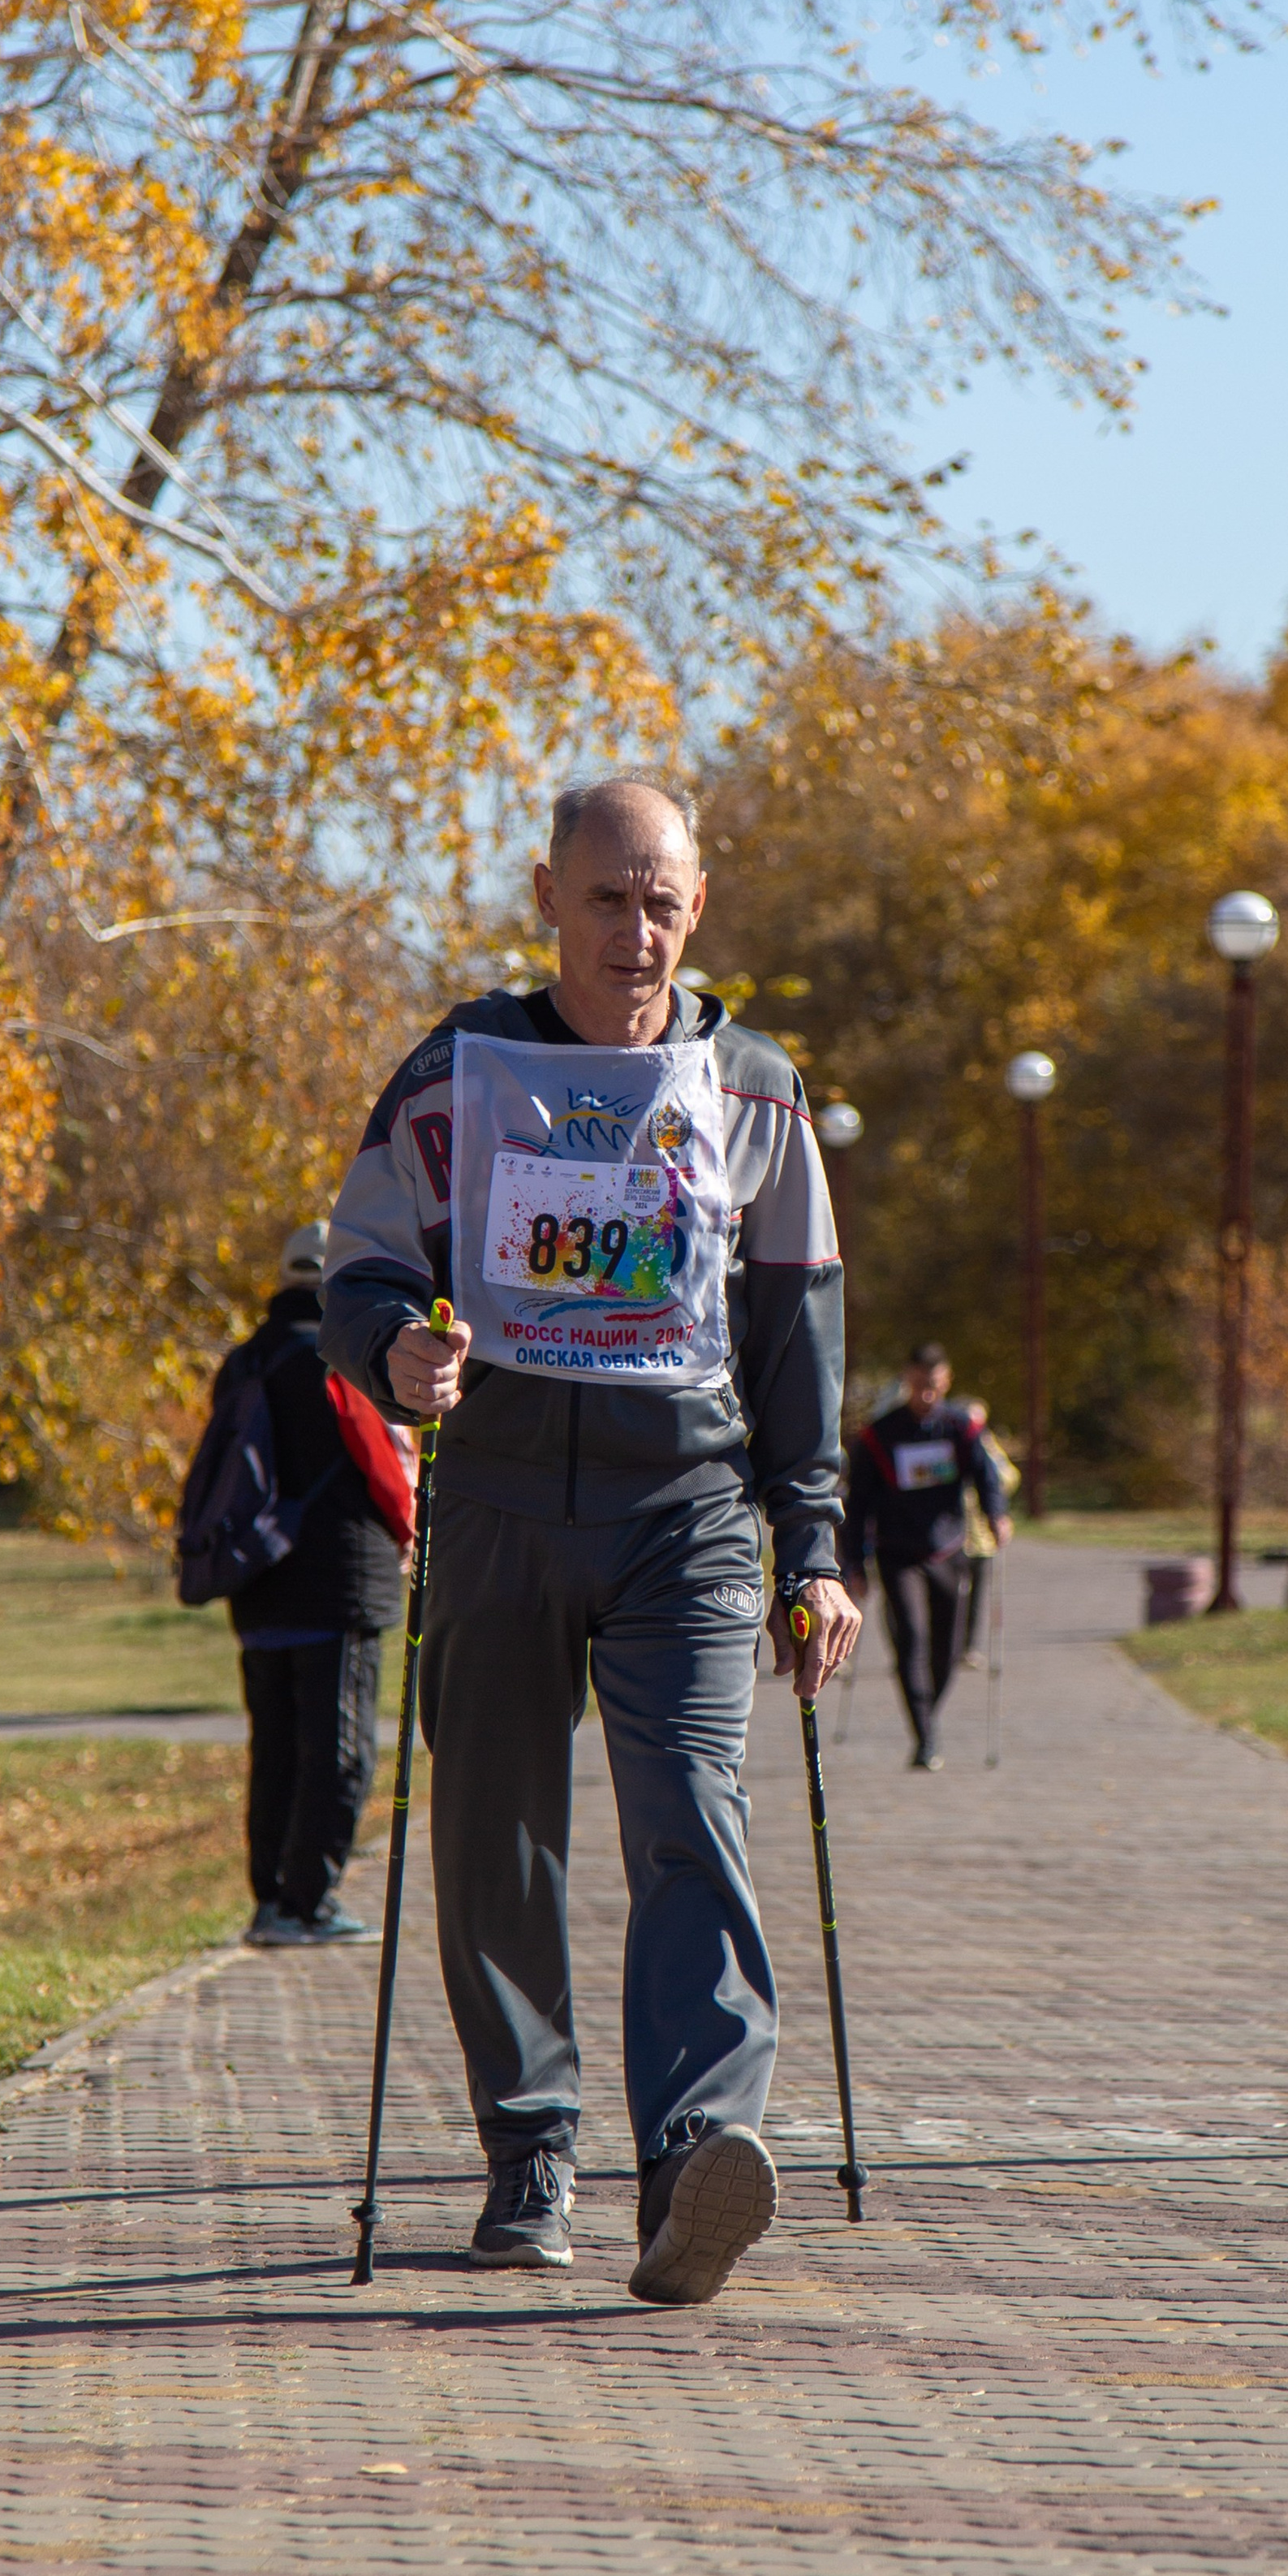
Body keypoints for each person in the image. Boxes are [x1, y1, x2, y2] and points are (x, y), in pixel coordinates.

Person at [321, 774, 860, 2297]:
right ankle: (531, 2146)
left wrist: (810, 1547)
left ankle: (695, 2160)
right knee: (498, 1833)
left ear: (702, 906)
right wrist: (394, 1353)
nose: (638, 930)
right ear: (548, 897)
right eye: (609, 897)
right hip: (493, 1499)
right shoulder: (461, 1071)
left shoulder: (753, 1083)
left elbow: (799, 1325)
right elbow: (359, 1267)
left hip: (682, 1511)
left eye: (665, 900)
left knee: (693, 1809)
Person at [208, 1223, 415, 1944]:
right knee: (340, 1748)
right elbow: (386, 1468)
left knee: (276, 1748)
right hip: (339, 1585)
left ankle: (269, 1899)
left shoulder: (242, 1361)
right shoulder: (340, 1359)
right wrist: (413, 1532)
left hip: (259, 1584)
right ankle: (310, 1902)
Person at [842, 1344, 1010, 1767]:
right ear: (907, 1381)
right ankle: (925, 1736)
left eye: (934, 1387)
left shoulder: (960, 1428)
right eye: (919, 1386)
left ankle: (926, 1715)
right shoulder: (879, 1435)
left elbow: (987, 1475)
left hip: (949, 1551)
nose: (927, 1395)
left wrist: (996, 1515)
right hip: (898, 1554)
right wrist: (853, 1564)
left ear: (947, 1381)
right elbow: (856, 1502)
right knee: (911, 1640)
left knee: (948, 1650)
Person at [958, 1400, 1020, 1668]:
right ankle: (945, 1646)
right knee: (951, 1594)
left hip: (982, 1538)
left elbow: (1009, 1478)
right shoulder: (951, 1444)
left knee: (976, 1595)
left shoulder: (989, 1447)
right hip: (953, 1537)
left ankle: (968, 1648)